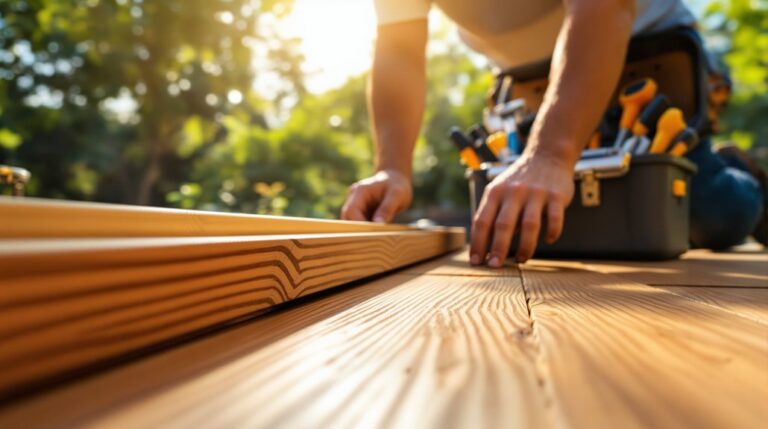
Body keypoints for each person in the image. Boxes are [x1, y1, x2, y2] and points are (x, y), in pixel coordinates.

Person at [341, 0, 767, 267]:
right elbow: (398, 47)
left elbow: (604, 8)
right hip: (534, 85)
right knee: (551, 223)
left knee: (710, 213)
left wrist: (550, 155)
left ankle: (736, 173)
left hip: (645, 52)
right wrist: (392, 168)